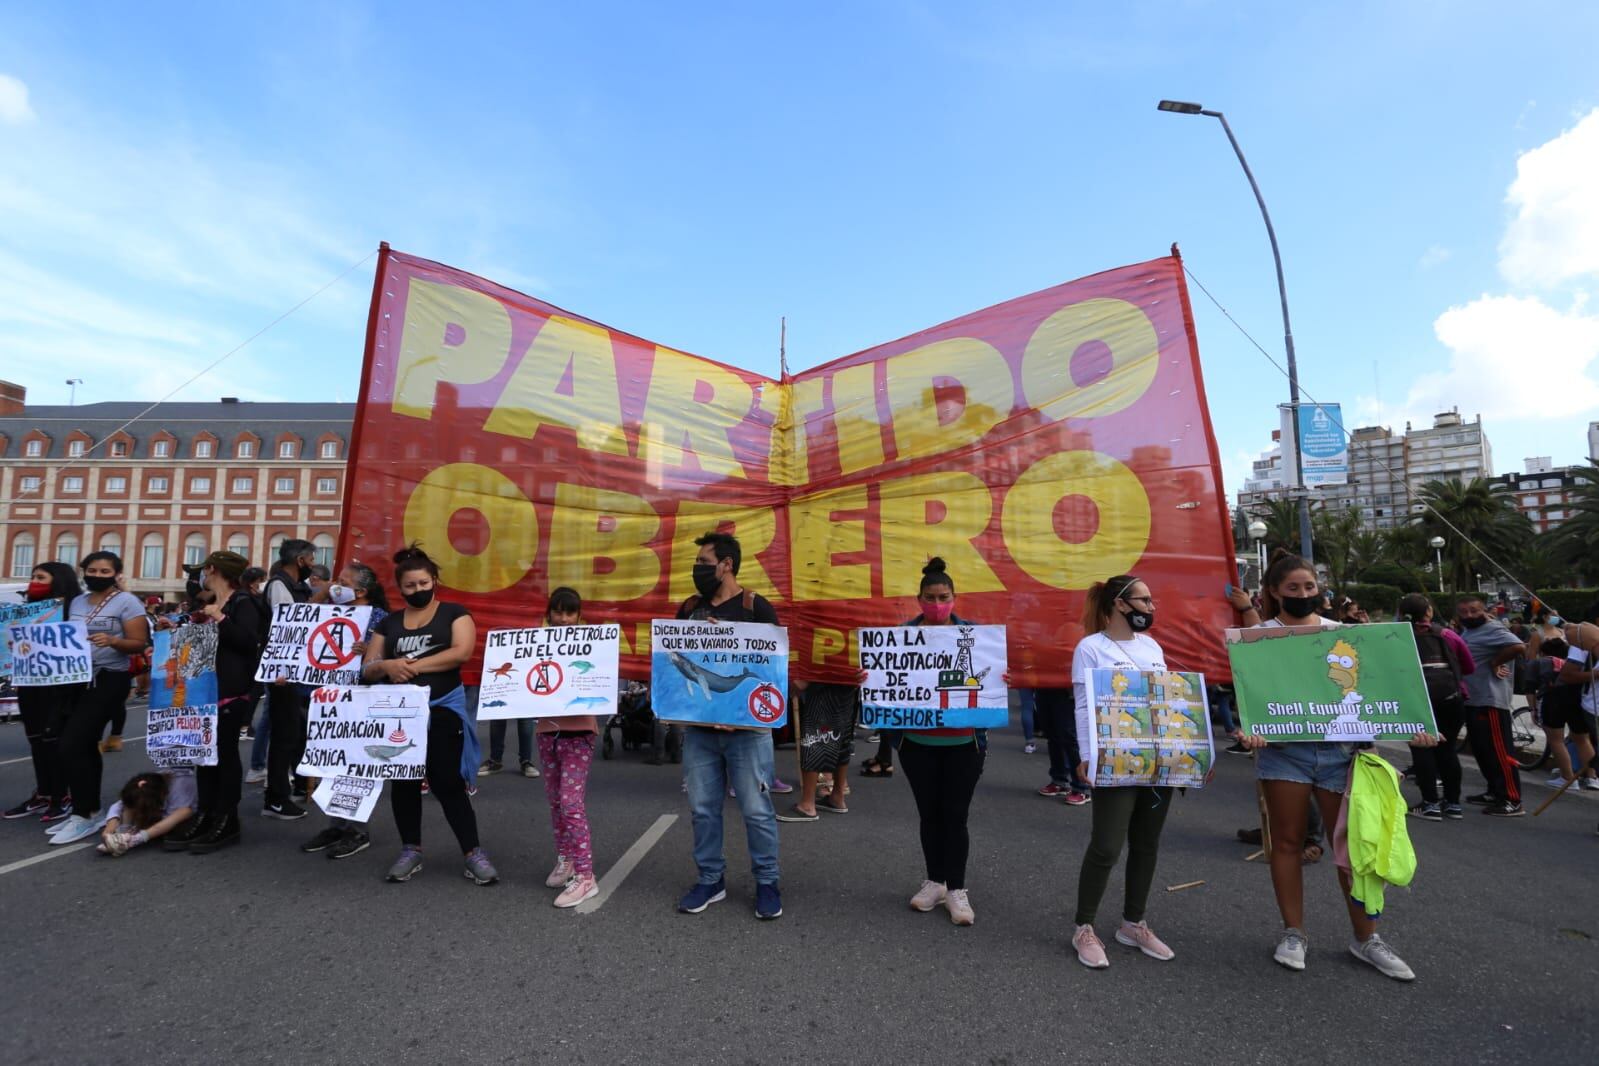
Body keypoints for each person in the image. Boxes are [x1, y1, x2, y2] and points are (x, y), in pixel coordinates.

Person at [1232, 549, 1434, 981]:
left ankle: (1368, 938)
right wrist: (1251, 730)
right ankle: (1294, 933)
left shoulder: (1343, 635)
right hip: (1284, 754)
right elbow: (1252, 698)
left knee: (1352, 851)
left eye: (1309, 587)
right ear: (1273, 591)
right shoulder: (1257, 638)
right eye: (1293, 588)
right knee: (1286, 843)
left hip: (1341, 755)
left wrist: (1415, 725)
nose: (1304, 594)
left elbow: (1380, 690)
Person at [363, 544, 497, 885]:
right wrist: (387, 666)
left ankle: (472, 853)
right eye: (410, 586)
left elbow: (461, 652)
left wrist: (410, 665)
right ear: (400, 588)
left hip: (442, 711)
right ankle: (411, 850)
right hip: (398, 718)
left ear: (434, 580)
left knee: (447, 782)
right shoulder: (389, 624)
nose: (418, 590)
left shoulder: (455, 613)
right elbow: (369, 668)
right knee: (404, 783)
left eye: (423, 583)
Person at [1069, 575, 1182, 968]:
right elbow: (1084, 705)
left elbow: (1167, 702)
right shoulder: (1090, 648)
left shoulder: (1152, 646)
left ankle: (1133, 923)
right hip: (1114, 758)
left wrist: (1188, 757)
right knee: (1106, 846)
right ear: (1120, 604)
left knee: (1146, 844)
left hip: (1157, 761)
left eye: (1152, 600)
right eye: (1144, 600)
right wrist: (1087, 754)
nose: (1151, 608)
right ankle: (1084, 927)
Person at [675, 531, 784, 921]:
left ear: (727, 565)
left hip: (748, 734)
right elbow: (676, 670)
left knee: (756, 809)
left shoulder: (757, 608)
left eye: (705, 563)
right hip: (701, 733)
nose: (698, 570)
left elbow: (774, 672)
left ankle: (768, 882)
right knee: (703, 809)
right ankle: (710, 879)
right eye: (698, 564)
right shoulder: (689, 609)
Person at [897, 558, 987, 927]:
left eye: (944, 597)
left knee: (955, 814)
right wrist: (869, 677)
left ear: (954, 597)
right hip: (917, 741)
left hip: (964, 742)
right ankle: (935, 880)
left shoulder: (977, 636)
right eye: (930, 598)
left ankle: (957, 889)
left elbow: (990, 677)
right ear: (919, 599)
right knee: (929, 814)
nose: (937, 604)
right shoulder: (899, 637)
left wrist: (1001, 678)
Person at [163, 551, 267, 854]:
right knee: (204, 755)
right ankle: (206, 813)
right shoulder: (206, 604)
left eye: (204, 572)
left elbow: (249, 642)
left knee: (223, 753)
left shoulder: (243, 602)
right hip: (203, 688)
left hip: (231, 689)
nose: (201, 578)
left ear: (214, 570)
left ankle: (227, 818)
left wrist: (220, 618)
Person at [47, 552, 150, 845]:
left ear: (116, 574)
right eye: (92, 569)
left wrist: (114, 640)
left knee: (72, 743)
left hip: (109, 679)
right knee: (83, 745)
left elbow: (139, 643)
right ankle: (87, 812)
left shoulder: (127, 602)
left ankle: (85, 811)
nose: (97, 574)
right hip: (78, 680)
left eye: (104, 570)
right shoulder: (78, 602)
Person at [301, 562, 391, 860]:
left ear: (362, 590)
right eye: (336, 580)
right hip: (331, 700)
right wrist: (326, 589)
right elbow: (302, 617)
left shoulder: (379, 618)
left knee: (356, 768)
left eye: (343, 581)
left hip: (361, 700)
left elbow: (387, 657)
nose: (336, 585)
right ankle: (335, 825)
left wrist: (370, 652)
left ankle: (357, 830)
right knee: (331, 764)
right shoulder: (329, 611)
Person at [532, 587, 602, 907]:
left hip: (579, 733)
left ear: (579, 615)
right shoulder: (535, 643)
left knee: (570, 803)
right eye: (557, 612)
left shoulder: (593, 644)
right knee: (555, 803)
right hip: (547, 731)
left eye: (569, 612)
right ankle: (567, 859)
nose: (562, 618)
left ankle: (586, 877)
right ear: (548, 614)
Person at [3, 562, 80, 823]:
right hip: (29, 683)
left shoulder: (74, 609)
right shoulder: (22, 612)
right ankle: (44, 794)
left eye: (40, 577)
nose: (33, 581)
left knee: (53, 740)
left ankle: (62, 796)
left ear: (57, 580)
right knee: (36, 739)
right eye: (32, 576)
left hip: (59, 686)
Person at [1397, 593, 1475, 821]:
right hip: (1452, 700)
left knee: (1421, 748)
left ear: (1402, 614)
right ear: (1429, 612)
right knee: (1447, 749)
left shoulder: (1397, 637)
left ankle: (1430, 804)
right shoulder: (1447, 635)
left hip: (1416, 701)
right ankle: (1452, 804)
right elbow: (1468, 666)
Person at [262, 539, 325, 820]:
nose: (313, 565)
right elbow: (290, 624)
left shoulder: (295, 586)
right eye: (311, 559)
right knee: (284, 735)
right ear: (300, 560)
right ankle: (275, 797)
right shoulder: (279, 586)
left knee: (298, 732)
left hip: (297, 672)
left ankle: (299, 783)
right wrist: (320, 599)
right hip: (283, 674)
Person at [1455, 594, 1528, 817]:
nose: (1469, 615)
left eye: (1474, 610)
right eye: (1464, 611)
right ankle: (1494, 791)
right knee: (1482, 750)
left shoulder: (1493, 628)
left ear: (1484, 610)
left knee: (1499, 751)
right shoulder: (1469, 630)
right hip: (1473, 698)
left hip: (1491, 700)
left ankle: (1512, 799)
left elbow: (1518, 646)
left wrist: (1496, 662)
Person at [776, 682, 856, 822]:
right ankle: (837, 796)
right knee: (842, 733)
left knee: (814, 734)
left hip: (823, 674)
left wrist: (803, 678)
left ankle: (807, 804)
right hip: (848, 674)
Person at [99, 769, 197, 855]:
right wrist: (110, 826)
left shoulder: (179, 791)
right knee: (129, 803)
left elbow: (179, 815)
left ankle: (130, 837)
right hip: (157, 804)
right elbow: (120, 804)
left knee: (179, 821)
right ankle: (124, 831)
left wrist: (139, 836)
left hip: (192, 814)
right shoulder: (148, 785)